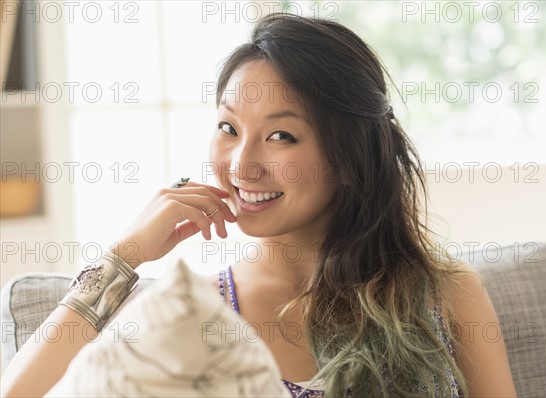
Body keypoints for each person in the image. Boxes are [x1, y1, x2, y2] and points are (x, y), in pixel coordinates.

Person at [1, 13, 518, 398]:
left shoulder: (442, 293)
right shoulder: (196, 313)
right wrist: (123, 256)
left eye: (281, 136)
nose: (242, 164)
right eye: (228, 128)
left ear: (348, 154)